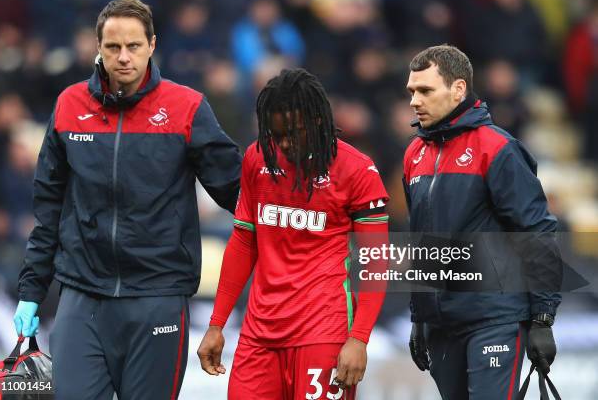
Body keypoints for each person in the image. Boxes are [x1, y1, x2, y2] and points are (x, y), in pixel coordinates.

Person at [13, 0, 241, 400]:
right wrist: (32, 292)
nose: (123, 57)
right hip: (82, 296)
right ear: (96, 48)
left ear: (152, 45)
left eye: (133, 46)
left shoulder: (186, 107)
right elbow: (48, 209)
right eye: (112, 47)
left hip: (158, 296)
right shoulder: (68, 106)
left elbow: (238, 193)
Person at [197, 68, 389, 399]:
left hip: (324, 331)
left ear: (317, 120)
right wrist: (217, 324)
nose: (284, 144)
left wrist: (358, 338)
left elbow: (376, 261)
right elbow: (244, 242)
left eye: (293, 133)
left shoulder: (356, 169)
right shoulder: (257, 157)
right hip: (259, 331)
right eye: (276, 134)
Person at [403, 45, 563, 399]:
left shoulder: (497, 148)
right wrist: (419, 316)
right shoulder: (414, 153)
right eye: (412, 91)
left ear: (458, 89)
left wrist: (542, 318)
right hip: (441, 324)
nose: (415, 101)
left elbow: (537, 232)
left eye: (425, 90)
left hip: (495, 318)